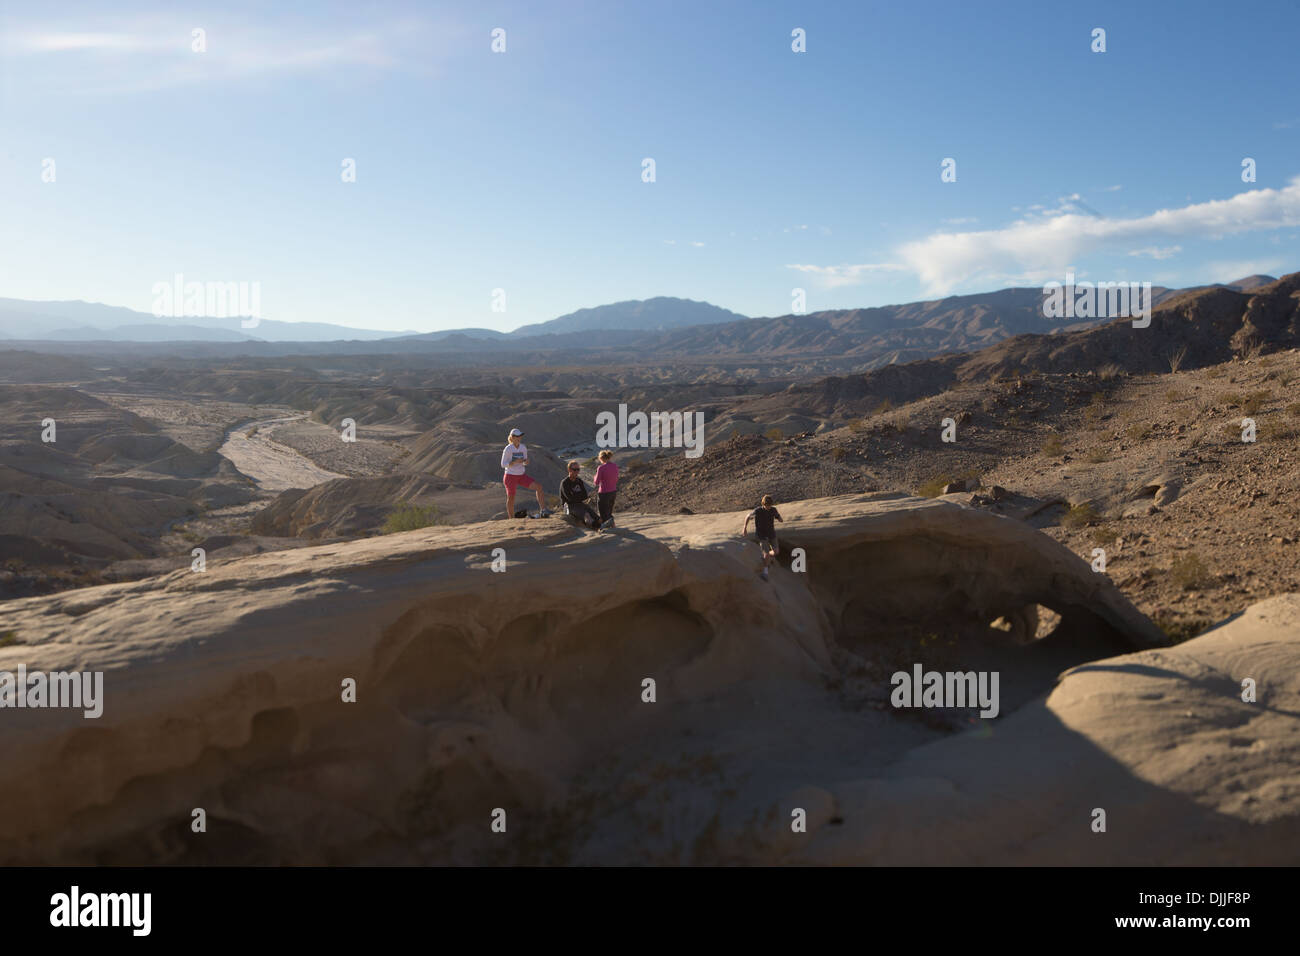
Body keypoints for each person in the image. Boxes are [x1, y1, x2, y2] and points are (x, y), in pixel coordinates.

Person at [500, 428, 545, 519]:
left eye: (520, 436)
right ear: (512, 437)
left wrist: (526, 462)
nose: (519, 438)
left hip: (521, 475)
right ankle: (511, 519)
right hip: (510, 476)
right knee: (511, 497)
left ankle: (543, 510)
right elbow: (503, 464)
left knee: (539, 487)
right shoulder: (508, 449)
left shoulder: (523, 447)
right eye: (517, 436)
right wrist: (513, 462)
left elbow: (524, 461)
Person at [743, 494, 783, 580]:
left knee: (776, 552)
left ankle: (767, 557)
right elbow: (748, 516)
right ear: (763, 504)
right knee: (766, 554)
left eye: (769, 505)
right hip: (761, 535)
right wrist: (745, 528)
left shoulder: (773, 510)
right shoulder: (758, 511)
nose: (768, 507)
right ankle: (765, 572)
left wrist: (780, 519)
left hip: (771, 533)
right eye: (766, 505)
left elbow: (777, 516)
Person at [559, 460, 599, 528]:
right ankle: (596, 527)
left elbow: (585, 495)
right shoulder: (565, 483)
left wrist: (576, 496)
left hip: (580, 504)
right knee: (587, 516)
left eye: (578, 469)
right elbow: (569, 498)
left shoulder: (579, 481)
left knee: (596, 516)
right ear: (569, 470)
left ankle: (601, 526)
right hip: (569, 506)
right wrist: (579, 496)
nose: (577, 472)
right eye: (575, 470)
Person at [594, 448, 619, 531]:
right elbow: (616, 479)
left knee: (603, 513)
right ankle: (613, 528)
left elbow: (596, 482)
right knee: (609, 512)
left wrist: (595, 476)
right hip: (613, 491)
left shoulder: (601, 468)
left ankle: (607, 531)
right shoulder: (615, 466)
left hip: (604, 493)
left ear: (601, 458)